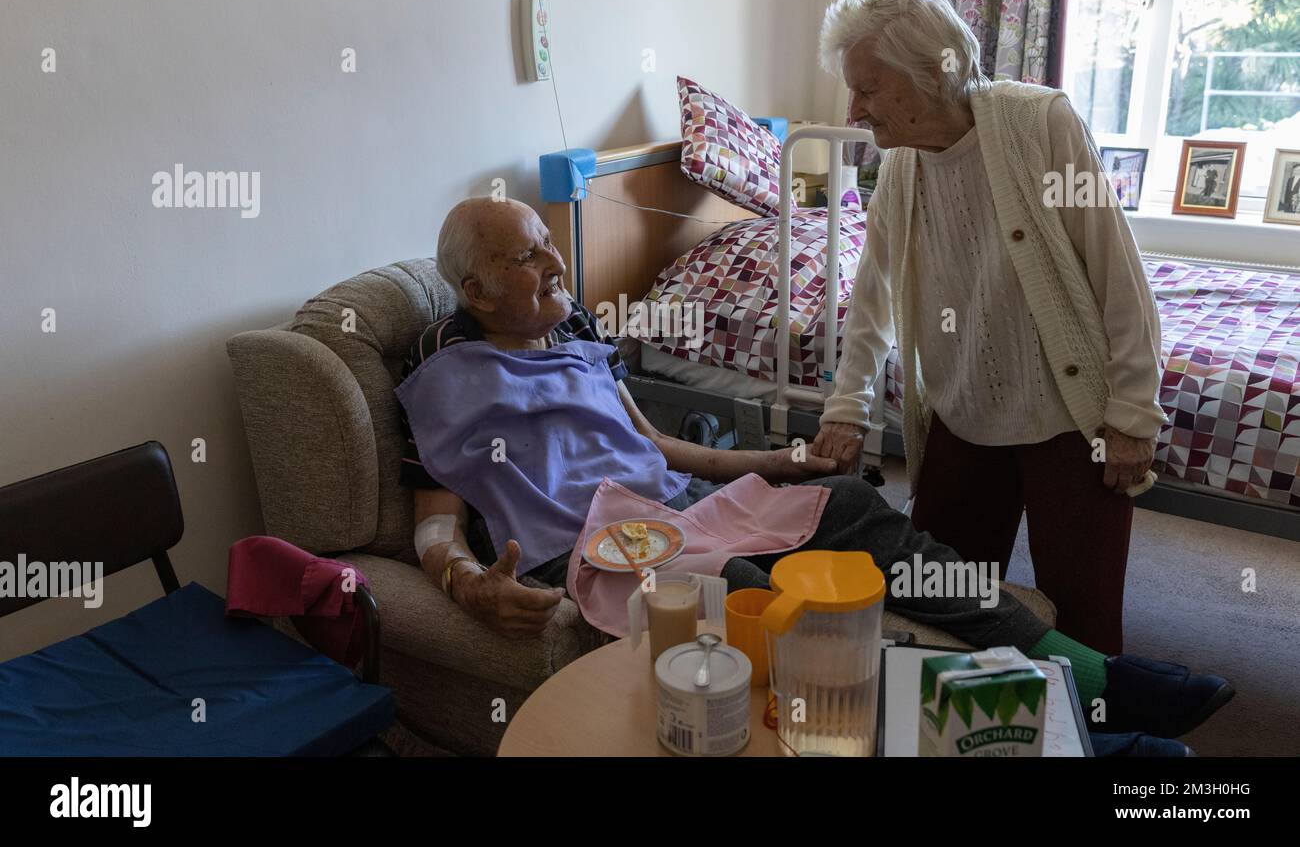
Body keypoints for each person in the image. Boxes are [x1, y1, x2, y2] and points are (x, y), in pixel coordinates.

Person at [394, 196, 1232, 751]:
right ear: (473, 288)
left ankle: (1093, 677)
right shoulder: (445, 368)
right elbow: (435, 515)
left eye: (550, 245)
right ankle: (1032, 727)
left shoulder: (572, 334)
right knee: (773, 602)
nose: (557, 267)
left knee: (852, 502)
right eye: (527, 259)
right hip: (598, 548)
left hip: (680, 505)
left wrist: (785, 464)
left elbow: (658, 445)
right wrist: (466, 580)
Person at [813, 0, 1167, 656]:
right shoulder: (901, 166)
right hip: (962, 413)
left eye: (867, 87)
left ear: (928, 74)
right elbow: (872, 298)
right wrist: (847, 405)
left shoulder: (1041, 124)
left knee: (1085, 624)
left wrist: (1133, 413)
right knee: (943, 606)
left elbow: (1118, 276)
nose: (853, 110)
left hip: (1072, 420)